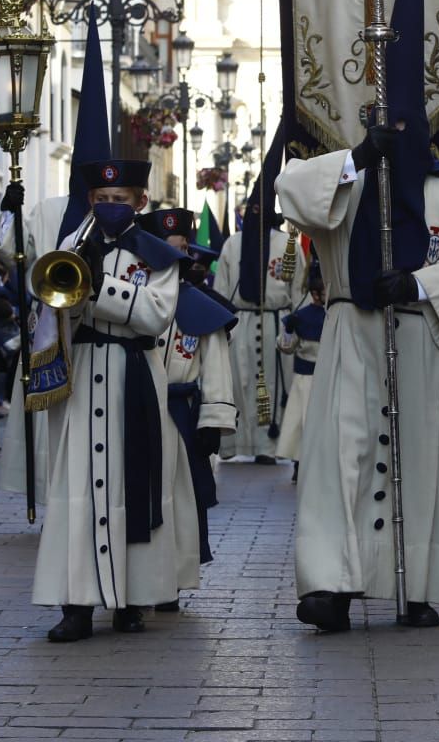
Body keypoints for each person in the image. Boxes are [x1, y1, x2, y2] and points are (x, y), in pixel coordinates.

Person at [276, 0, 439, 633]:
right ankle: (334, 584)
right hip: (352, 334)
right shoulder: (345, 176)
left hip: (421, 341)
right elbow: (293, 196)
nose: (400, 135)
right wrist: (359, 161)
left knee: (423, 463)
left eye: (410, 126)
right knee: (342, 460)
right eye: (387, 125)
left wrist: (418, 284)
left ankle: (418, 582)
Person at [26, 159, 191, 642]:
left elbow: (157, 316)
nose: (109, 208)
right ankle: (75, 603)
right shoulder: (70, 247)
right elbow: (49, 316)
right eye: (101, 199)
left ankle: (131, 599)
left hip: (131, 375)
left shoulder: (159, 256)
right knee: (77, 487)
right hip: (81, 378)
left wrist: (100, 286)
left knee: (132, 485)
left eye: (120, 201)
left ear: (140, 202)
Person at [140, 206, 238, 605]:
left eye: (183, 249)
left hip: (181, 415)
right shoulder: (136, 300)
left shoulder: (200, 306)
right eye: (168, 249)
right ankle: (142, 577)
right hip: (141, 410)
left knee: (182, 501)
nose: (177, 258)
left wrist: (213, 418)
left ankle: (175, 577)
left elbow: (215, 366)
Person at [214, 190, 305, 463]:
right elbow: (221, 290)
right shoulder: (232, 245)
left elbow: (298, 290)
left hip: (275, 322)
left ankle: (268, 446)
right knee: (238, 384)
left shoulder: (289, 245)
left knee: (276, 386)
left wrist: (296, 327)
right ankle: (236, 443)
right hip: (241, 323)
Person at [275, 262, 325, 462]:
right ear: (314, 294)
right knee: (300, 424)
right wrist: (288, 331)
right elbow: (286, 347)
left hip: (325, 377)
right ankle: (299, 462)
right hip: (304, 379)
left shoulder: (334, 315)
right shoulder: (302, 317)